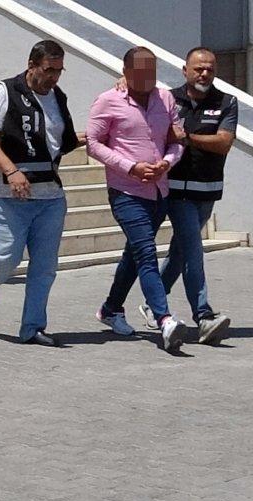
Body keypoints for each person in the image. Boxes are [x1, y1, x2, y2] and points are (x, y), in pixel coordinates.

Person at [0, 40, 85, 346]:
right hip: (6, 195)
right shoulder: (5, 91)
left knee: (45, 267)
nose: (53, 77)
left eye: (59, 71)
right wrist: (11, 170)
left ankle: (32, 327)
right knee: (5, 258)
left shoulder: (58, 97)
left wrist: (94, 136)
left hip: (49, 197)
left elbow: (60, 143)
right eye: (48, 70)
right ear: (32, 65)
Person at [90, 46, 188, 352]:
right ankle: (164, 319)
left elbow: (177, 141)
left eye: (153, 72)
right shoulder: (108, 100)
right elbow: (93, 143)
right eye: (141, 72)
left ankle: (111, 309)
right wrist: (130, 167)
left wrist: (166, 163)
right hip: (126, 192)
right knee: (146, 252)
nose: (148, 78)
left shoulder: (166, 99)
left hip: (159, 191)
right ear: (126, 72)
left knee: (134, 255)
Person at [135, 46, 234, 344]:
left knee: (180, 251)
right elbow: (137, 100)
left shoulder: (226, 102)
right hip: (175, 190)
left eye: (210, 69)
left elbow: (223, 142)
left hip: (208, 189)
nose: (204, 73)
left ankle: (152, 304)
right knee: (193, 249)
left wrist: (188, 138)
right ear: (185, 70)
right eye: (198, 68)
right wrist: (122, 81)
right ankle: (203, 315)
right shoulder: (167, 98)